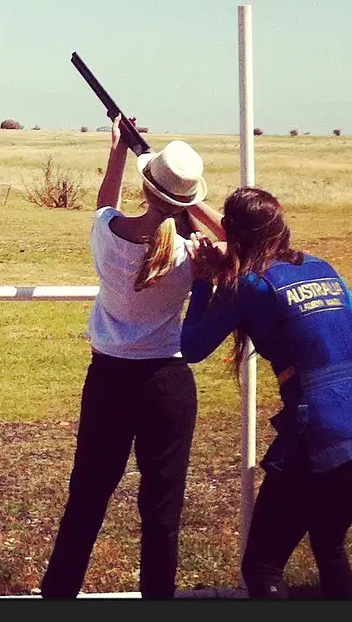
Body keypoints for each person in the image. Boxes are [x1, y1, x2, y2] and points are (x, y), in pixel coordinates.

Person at [40, 116, 225, 599]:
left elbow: (105, 202)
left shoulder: (108, 233)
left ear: (147, 191)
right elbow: (238, 243)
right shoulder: (193, 255)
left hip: (109, 381)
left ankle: (57, 595)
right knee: (162, 509)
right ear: (186, 201)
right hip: (168, 382)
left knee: (87, 497)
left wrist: (119, 147)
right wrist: (190, 205)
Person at [181, 186, 352, 598]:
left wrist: (203, 282)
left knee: (263, 566)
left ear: (233, 235)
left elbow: (194, 346)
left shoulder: (250, 285)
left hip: (316, 432)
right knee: (329, 545)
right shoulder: (324, 267)